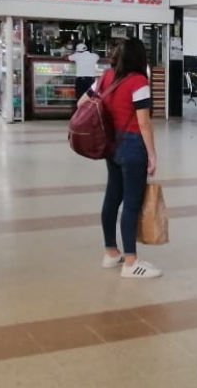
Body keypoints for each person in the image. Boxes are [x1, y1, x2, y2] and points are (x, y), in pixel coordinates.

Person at [79, 38, 161, 279]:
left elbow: (82, 102)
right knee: (132, 203)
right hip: (134, 146)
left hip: (111, 145)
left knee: (112, 196)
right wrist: (153, 155)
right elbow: (144, 124)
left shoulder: (106, 77)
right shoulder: (139, 82)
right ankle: (131, 262)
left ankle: (111, 252)